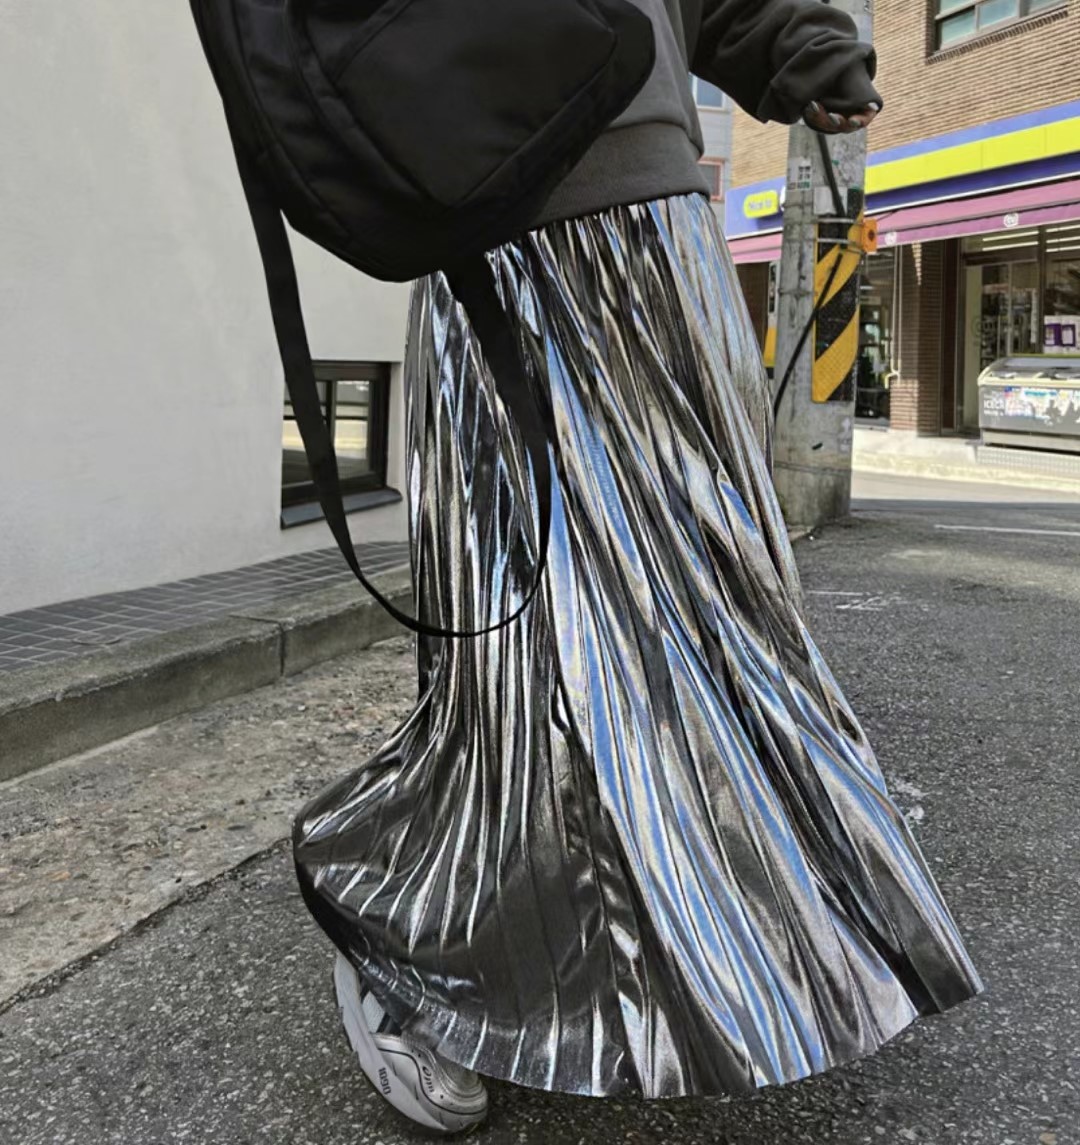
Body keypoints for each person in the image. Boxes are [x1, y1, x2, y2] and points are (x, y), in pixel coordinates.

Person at [293, 0, 983, 1133]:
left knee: (722, 623)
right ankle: (412, 943)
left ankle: (715, 939)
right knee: (530, 649)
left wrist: (799, 45)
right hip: (488, 224)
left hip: (658, 232)